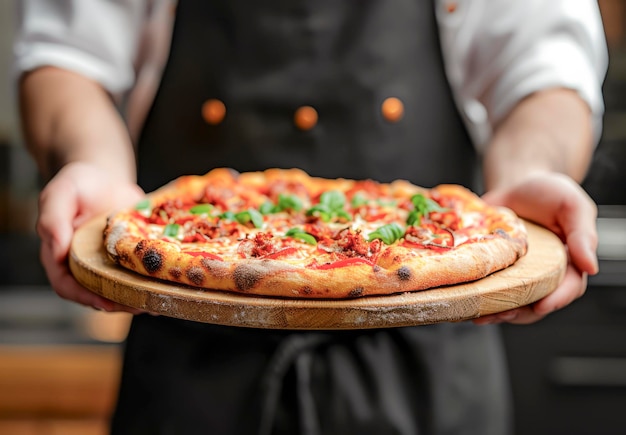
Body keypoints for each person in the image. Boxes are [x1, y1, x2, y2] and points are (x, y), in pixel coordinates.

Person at [14, 1, 607, 434]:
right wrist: (90, 160)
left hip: (430, 372)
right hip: (190, 367)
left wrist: (533, 166)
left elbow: (545, 69)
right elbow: (67, 58)